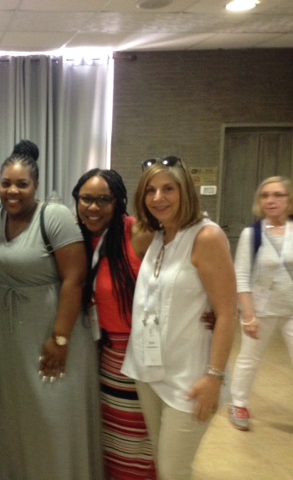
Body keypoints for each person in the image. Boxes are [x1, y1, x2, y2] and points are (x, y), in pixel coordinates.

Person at [0, 140, 103, 480]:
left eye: (22, 184)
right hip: (6, 333)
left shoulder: (55, 215)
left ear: (36, 186)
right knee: (13, 415)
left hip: (51, 329)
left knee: (51, 415)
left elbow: (74, 279)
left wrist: (59, 339)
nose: (13, 191)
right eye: (6, 183)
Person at [122, 156, 237, 480]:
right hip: (149, 371)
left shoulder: (206, 237)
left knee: (174, 470)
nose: (158, 198)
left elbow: (228, 312)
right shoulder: (158, 237)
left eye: (168, 189)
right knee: (164, 465)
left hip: (190, 378)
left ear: (185, 190)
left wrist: (214, 378)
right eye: (151, 191)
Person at [72, 168, 156, 480]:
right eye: (86, 199)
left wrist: (210, 310)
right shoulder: (76, 237)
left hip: (138, 353)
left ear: (118, 201)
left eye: (103, 200)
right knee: (109, 437)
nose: (93, 208)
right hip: (99, 350)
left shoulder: (139, 233)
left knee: (135, 439)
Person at [228, 176, 293, 431]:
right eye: (265, 195)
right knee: (249, 358)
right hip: (262, 308)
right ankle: (239, 403)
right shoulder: (251, 234)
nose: (271, 200)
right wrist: (248, 315)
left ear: (288, 200)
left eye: (278, 195)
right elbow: (241, 275)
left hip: (291, 309)